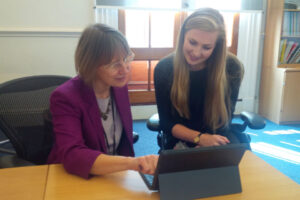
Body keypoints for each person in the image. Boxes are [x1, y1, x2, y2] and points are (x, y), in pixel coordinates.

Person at [47, 23, 158, 179]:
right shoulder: (65, 97)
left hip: (112, 174)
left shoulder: (118, 85)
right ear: (90, 64)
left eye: (127, 59)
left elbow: (124, 142)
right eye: (113, 64)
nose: (124, 69)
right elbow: (73, 155)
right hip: (75, 176)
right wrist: (132, 163)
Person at [154, 8, 246, 150]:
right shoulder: (165, 68)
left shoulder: (232, 67)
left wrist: (206, 145)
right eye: (192, 42)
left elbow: (225, 120)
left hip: (216, 135)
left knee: (238, 168)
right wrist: (199, 139)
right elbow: (166, 123)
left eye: (206, 47)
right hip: (179, 138)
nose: (196, 53)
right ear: (183, 36)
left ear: (216, 47)